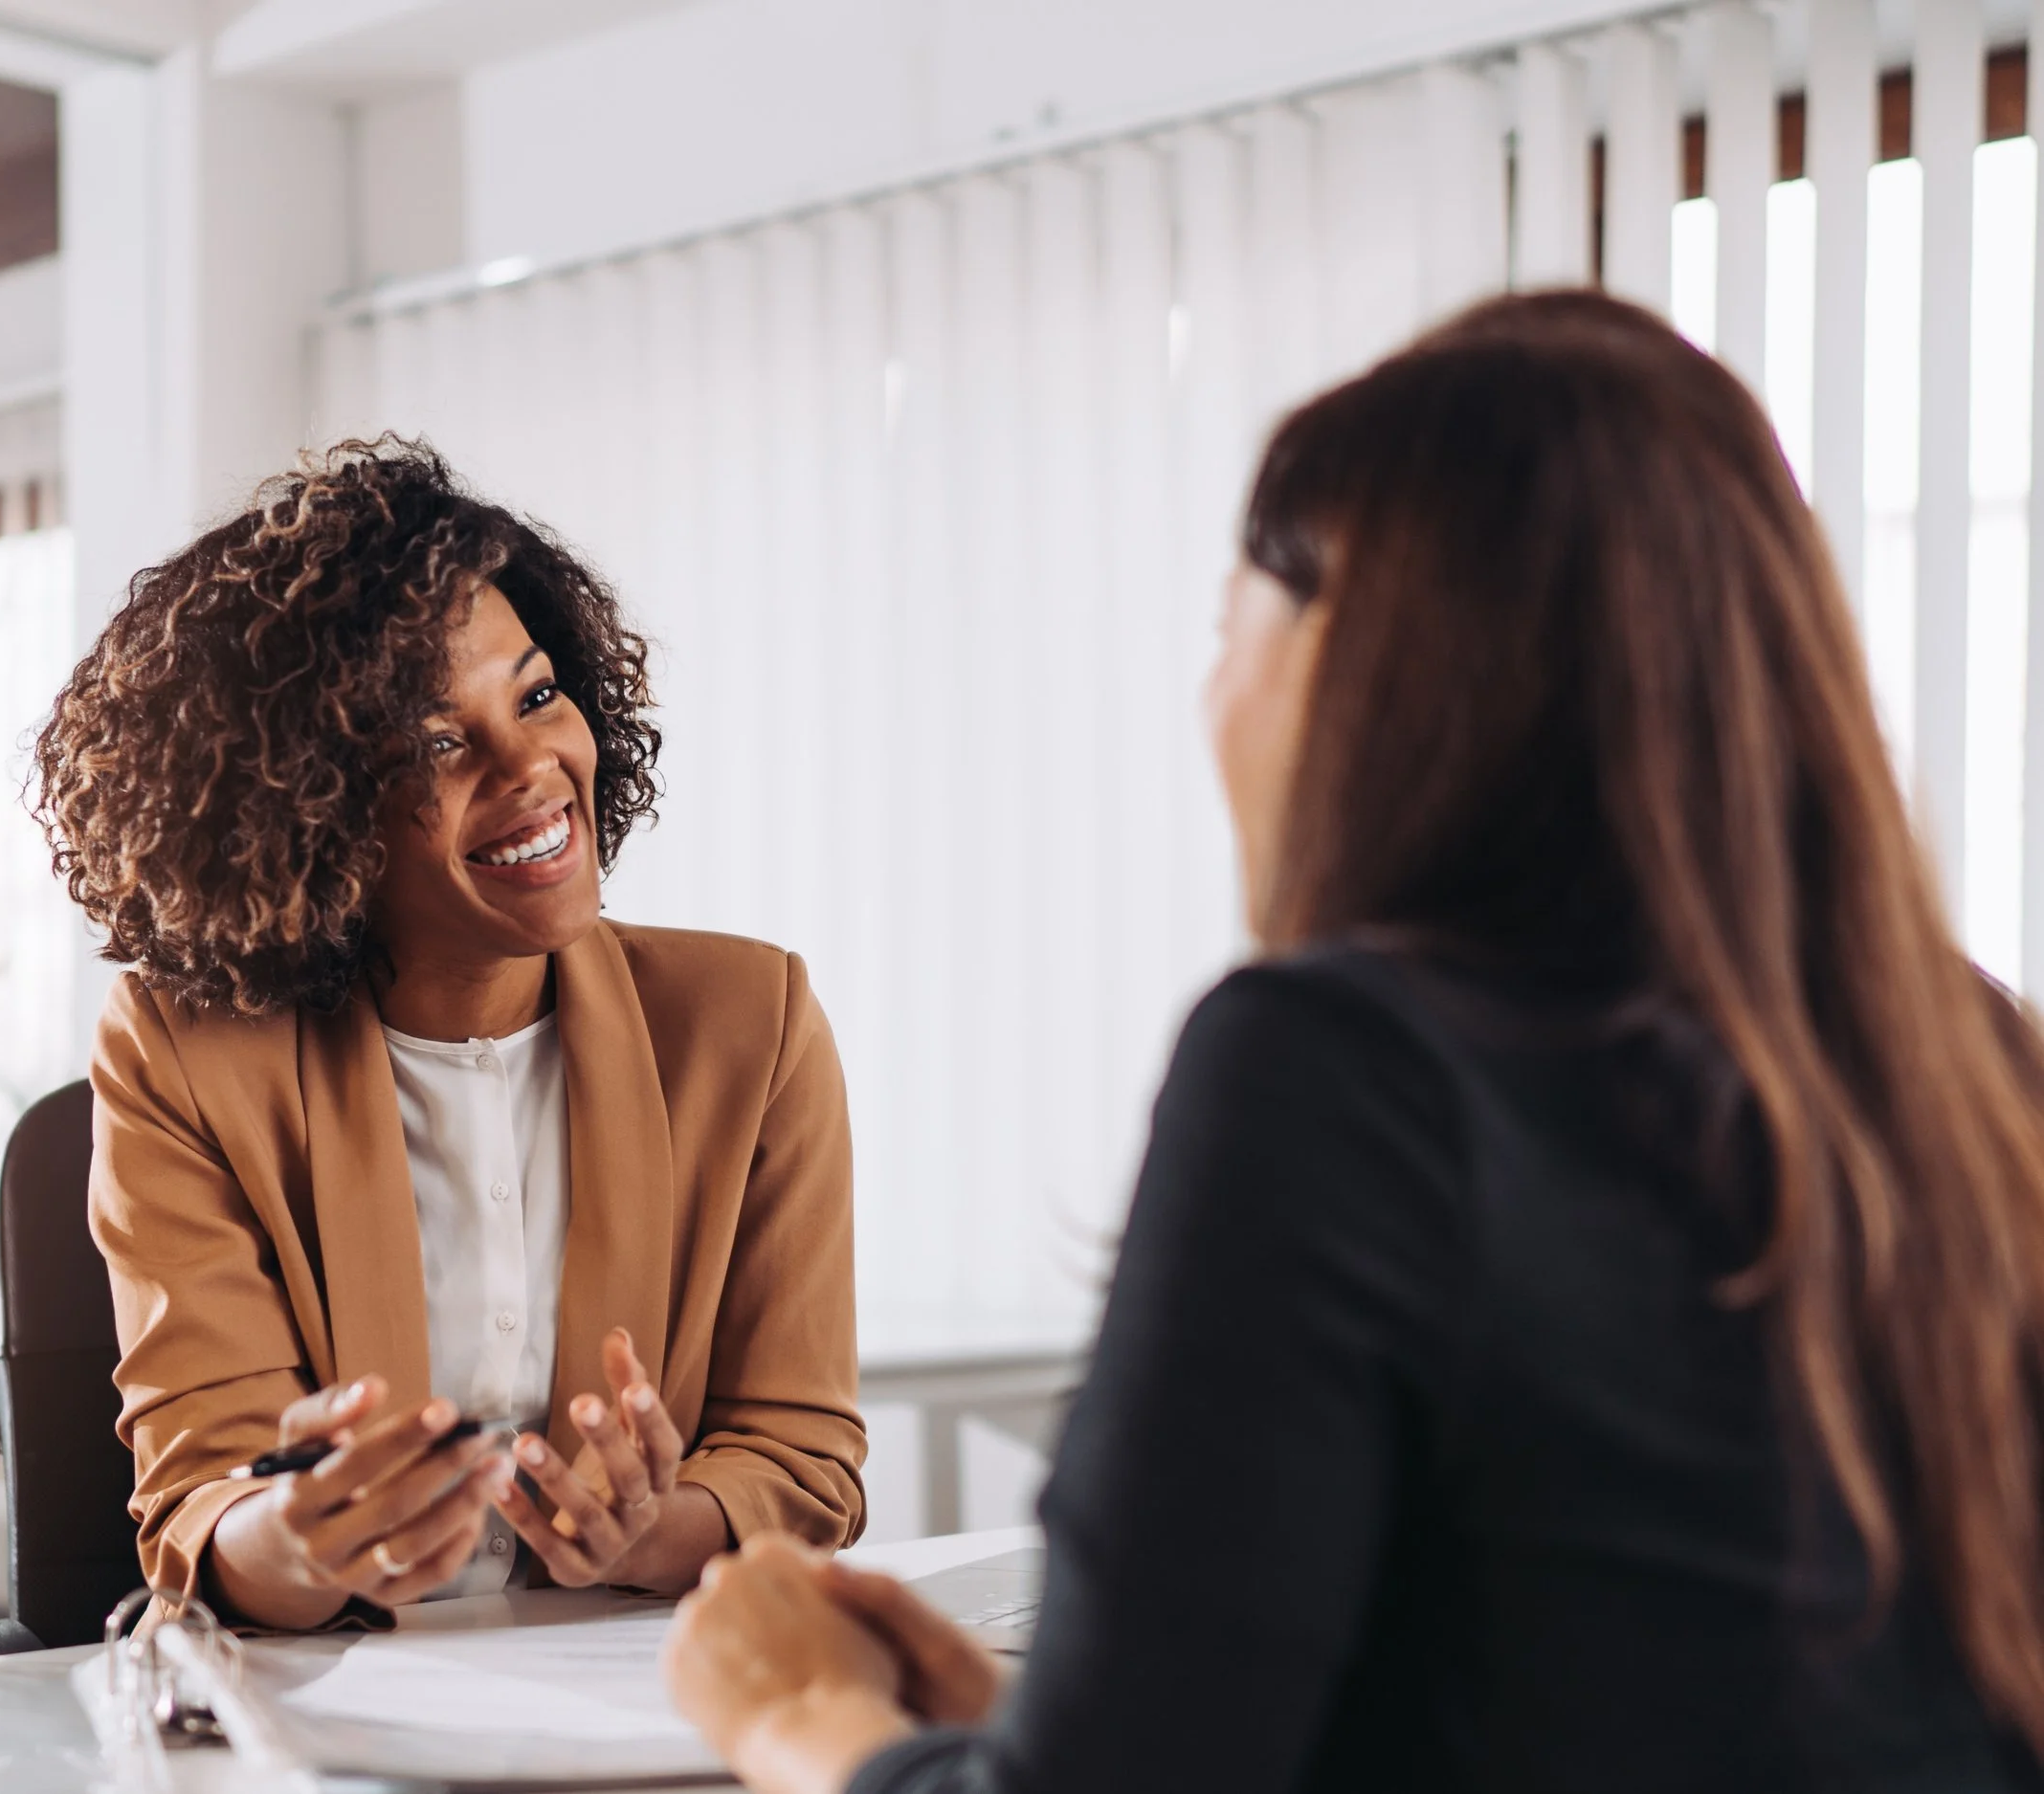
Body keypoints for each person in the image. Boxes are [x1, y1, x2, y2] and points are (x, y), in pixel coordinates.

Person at [661, 291, 2044, 1791]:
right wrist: (1017, 1726)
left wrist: (802, 1718)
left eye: (1224, 625)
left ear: (1360, 661)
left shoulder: (1334, 1071)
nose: (1211, 691)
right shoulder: (1970, 1067)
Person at [33, 438, 864, 1631]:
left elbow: (802, 1459)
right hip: (330, 1720)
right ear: (308, 811)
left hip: (635, 1710)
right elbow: (202, 1506)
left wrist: (647, 1529)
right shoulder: (184, 1054)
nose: (532, 767)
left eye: (535, 696)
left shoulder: (749, 1024)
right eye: (436, 742)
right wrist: (311, 1535)